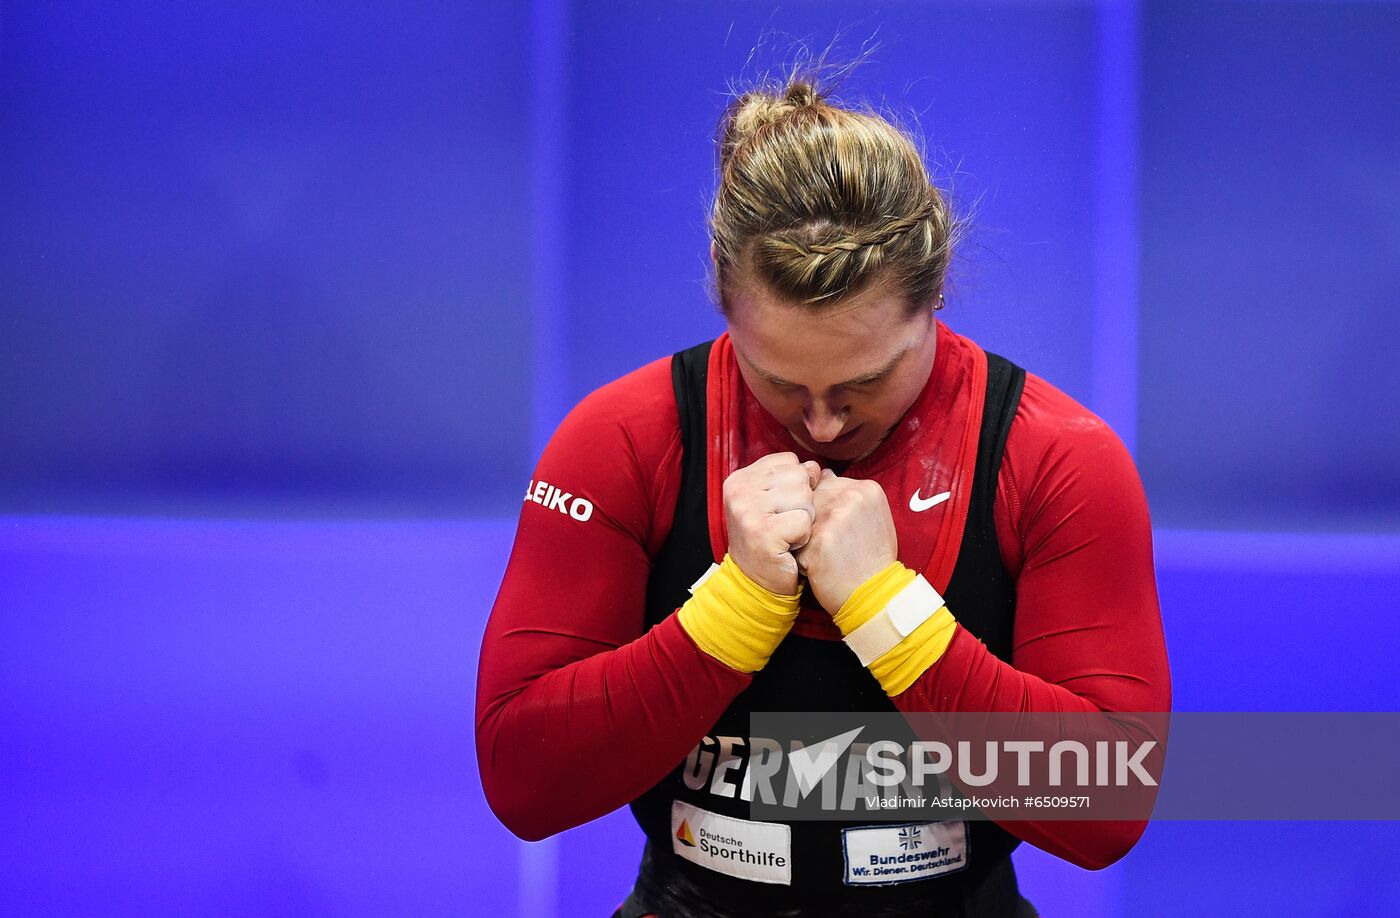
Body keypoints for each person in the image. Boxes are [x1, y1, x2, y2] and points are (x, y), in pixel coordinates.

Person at [475, 70, 1170, 917]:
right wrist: (730, 613)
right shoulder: (622, 438)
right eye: (775, 381)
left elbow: (1109, 810)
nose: (823, 425)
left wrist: (887, 612)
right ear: (723, 300)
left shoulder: (1058, 459)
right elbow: (522, 783)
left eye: (865, 382)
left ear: (936, 296)